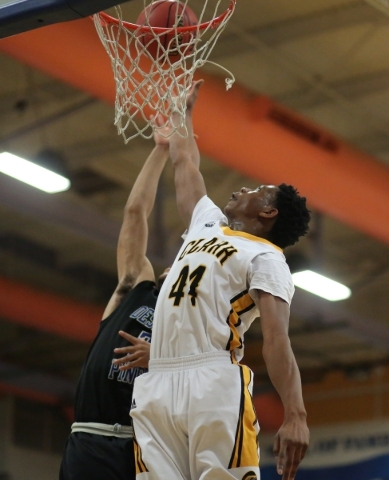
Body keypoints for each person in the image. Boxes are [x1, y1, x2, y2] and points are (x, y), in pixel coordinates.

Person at [129, 81, 310, 480]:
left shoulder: (266, 257)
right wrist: (182, 112)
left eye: (257, 190)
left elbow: (277, 340)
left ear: (268, 213)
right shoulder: (206, 223)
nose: (243, 187)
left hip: (213, 380)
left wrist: (295, 413)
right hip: (157, 380)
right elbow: (184, 164)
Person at [59, 124, 171, 480]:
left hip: (141, 448)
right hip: (89, 437)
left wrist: (162, 359)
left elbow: (213, 378)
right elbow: (135, 213)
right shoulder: (137, 287)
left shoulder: (194, 323)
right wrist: (162, 149)